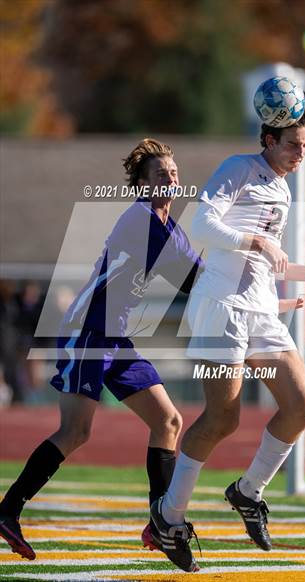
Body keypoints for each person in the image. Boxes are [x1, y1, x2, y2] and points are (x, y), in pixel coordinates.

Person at [149, 94, 305, 572]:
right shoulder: (238, 167)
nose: (301, 153)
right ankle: (168, 516)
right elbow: (202, 223)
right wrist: (255, 239)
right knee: (223, 419)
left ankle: (247, 492)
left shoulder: (282, 188)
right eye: (294, 145)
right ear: (269, 138)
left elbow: (267, 261)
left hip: (260, 310)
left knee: (303, 406)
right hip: (221, 307)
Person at [0, 139, 203, 561]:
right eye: (161, 174)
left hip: (115, 336)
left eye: (174, 172)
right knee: (76, 432)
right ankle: (7, 511)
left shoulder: (170, 226)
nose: (171, 178)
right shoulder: (142, 217)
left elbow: (195, 278)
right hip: (87, 331)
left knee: (168, 420)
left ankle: (160, 522)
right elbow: (189, 280)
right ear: (143, 185)